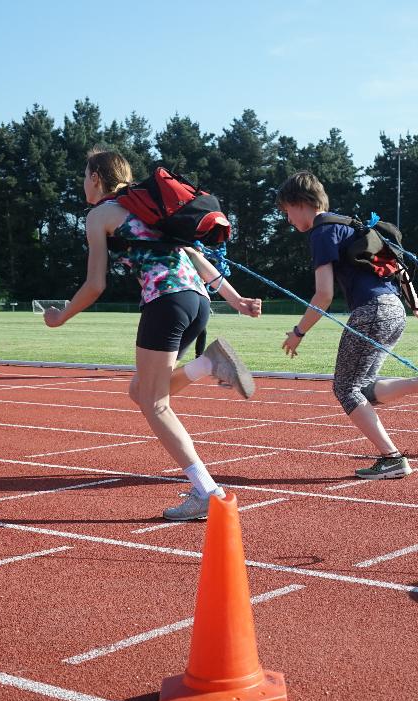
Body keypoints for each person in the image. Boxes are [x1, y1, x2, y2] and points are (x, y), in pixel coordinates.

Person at [42, 149, 263, 521]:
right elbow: (195, 255)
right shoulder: (151, 205)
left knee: (154, 403)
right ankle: (208, 363)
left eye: (84, 175)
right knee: (140, 391)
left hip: (165, 304)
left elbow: (95, 284)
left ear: (96, 177)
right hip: (197, 301)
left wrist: (60, 316)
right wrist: (236, 299)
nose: (83, 183)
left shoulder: (99, 216)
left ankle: (207, 491)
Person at [276, 170, 418, 480]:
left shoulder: (322, 232)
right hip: (394, 310)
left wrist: (298, 333)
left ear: (300, 203)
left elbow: (323, 295)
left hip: (371, 312)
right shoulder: (349, 224)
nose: (288, 220)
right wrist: (413, 301)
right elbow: (395, 265)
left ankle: (392, 458)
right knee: (362, 389)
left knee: (345, 389)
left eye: (287, 212)